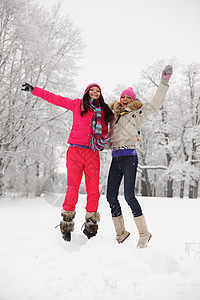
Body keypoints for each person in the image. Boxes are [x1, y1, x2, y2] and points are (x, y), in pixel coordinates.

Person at [21, 82, 113, 241]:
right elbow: (55, 99)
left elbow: (106, 133)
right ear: (87, 92)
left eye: (97, 90)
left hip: (92, 153)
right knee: (72, 188)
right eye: (92, 89)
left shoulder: (104, 112)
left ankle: (91, 226)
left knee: (93, 191)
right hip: (75, 152)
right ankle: (66, 223)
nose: (95, 92)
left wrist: (104, 139)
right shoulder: (77, 105)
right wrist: (34, 90)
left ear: (100, 94)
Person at [106, 65, 173, 248]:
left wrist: (164, 82)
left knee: (129, 196)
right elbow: (107, 138)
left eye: (129, 97)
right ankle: (121, 232)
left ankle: (144, 233)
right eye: (123, 97)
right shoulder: (113, 116)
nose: (125, 99)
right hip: (115, 157)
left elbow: (156, 103)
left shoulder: (138, 113)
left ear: (133, 100)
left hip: (129, 157)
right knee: (111, 195)